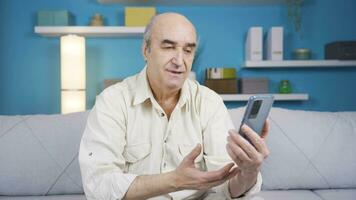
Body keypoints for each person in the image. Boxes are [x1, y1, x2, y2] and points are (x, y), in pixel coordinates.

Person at [79, 12, 270, 200]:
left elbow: (224, 188)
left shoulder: (209, 103)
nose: (179, 61)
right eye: (169, 47)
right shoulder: (112, 101)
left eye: (188, 50)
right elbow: (99, 187)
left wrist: (249, 172)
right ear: (146, 50)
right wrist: (174, 180)